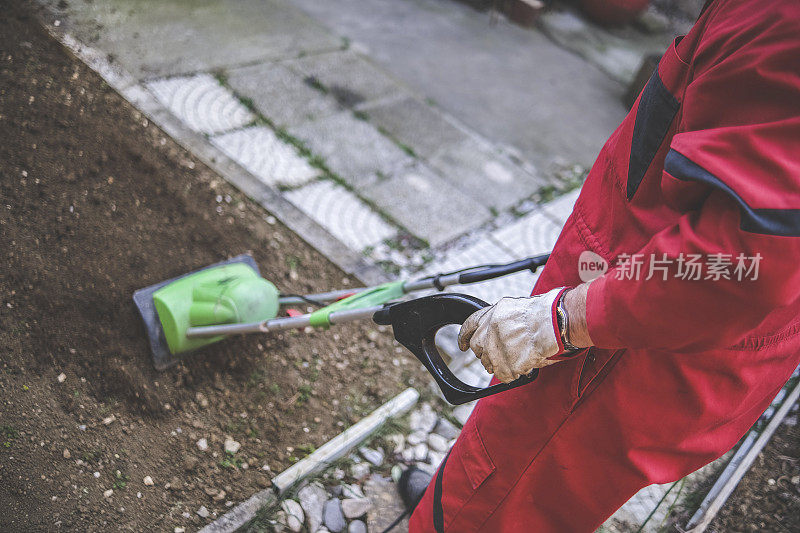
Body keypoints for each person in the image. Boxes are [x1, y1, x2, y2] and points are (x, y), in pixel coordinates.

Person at [406, 0, 800, 530]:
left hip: (625, 347)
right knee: (501, 472)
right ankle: (445, 503)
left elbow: (739, 262)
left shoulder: (785, 24)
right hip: (640, 312)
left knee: (506, 492)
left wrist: (566, 320)